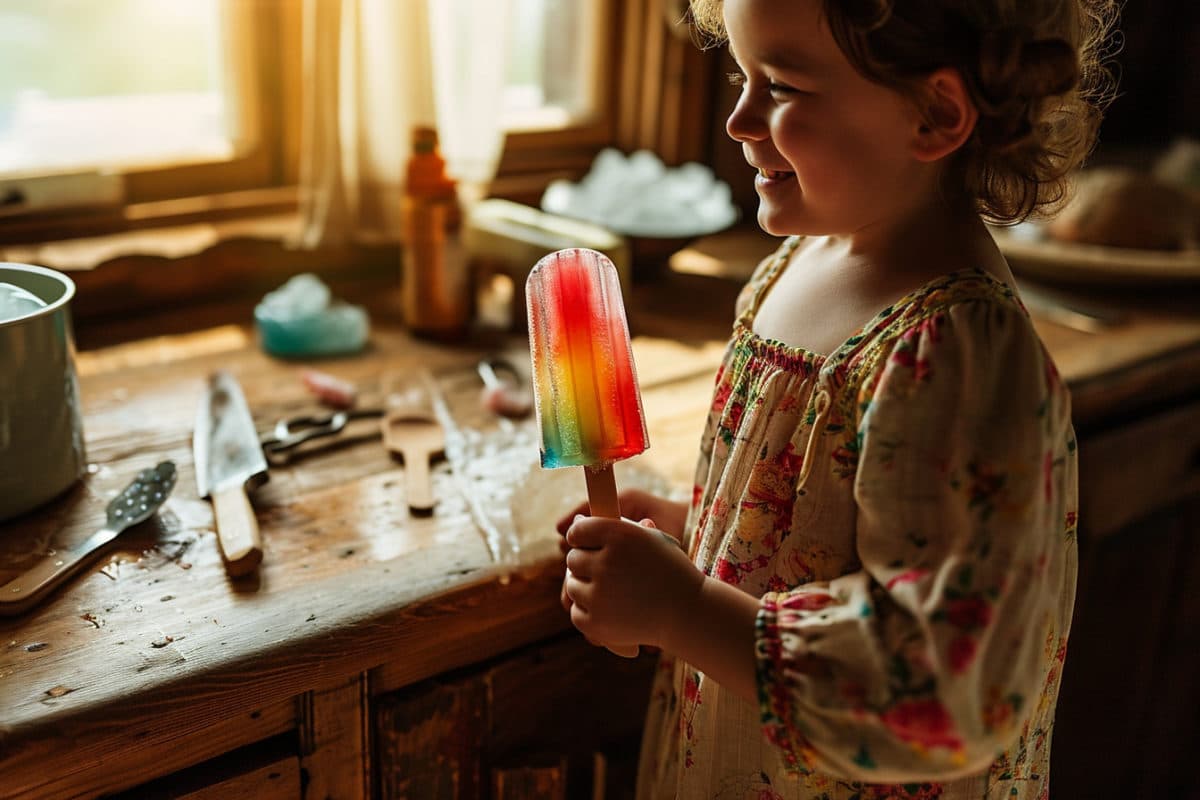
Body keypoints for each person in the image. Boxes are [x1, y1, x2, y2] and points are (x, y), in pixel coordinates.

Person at [555, 0, 1118, 797]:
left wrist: (682, 611)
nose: (738, 120)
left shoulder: (954, 354)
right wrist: (694, 533)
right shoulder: (798, 262)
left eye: (781, 86)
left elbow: (942, 689)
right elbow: (816, 524)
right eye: (741, 75)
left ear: (935, 113)